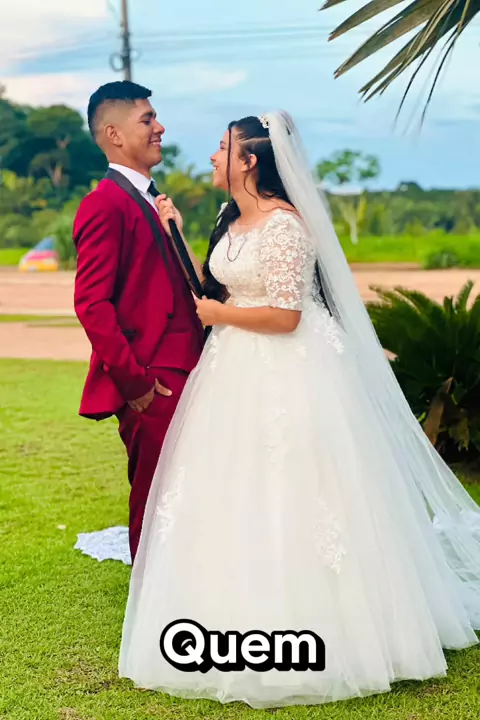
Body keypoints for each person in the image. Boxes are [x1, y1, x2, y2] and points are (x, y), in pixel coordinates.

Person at [118, 111, 480, 708]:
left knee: (298, 488)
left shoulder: (286, 226)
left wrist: (219, 316)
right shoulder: (231, 217)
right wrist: (178, 234)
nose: (212, 156)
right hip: (234, 369)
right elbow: (220, 287)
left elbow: (286, 317)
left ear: (249, 161)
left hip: (289, 369)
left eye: (222, 148)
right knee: (233, 488)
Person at [73, 81, 204, 562]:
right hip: (155, 381)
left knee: (191, 492)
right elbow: (91, 304)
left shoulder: (152, 200)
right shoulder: (104, 204)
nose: (159, 127)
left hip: (190, 369)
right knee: (155, 499)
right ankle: (151, 594)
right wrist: (137, 385)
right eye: (147, 119)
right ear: (114, 134)